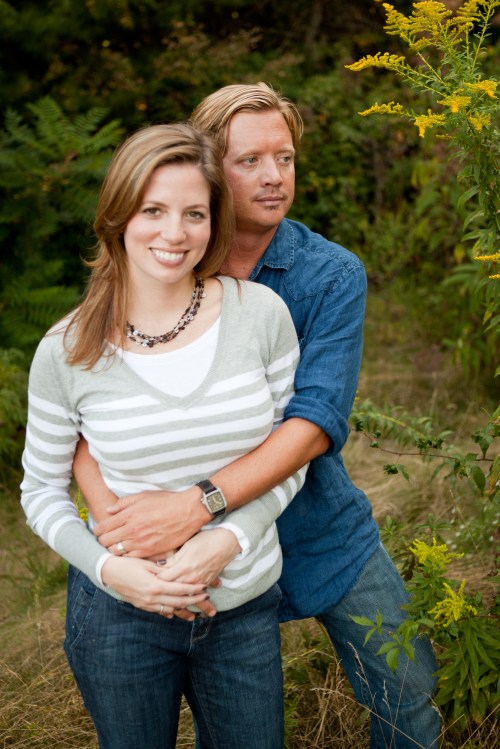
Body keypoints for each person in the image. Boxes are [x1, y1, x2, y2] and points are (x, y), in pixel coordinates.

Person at [74, 85, 442, 748]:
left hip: (314, 524)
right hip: (187, 547)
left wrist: (199, 502)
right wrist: (123, 527)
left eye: (286, 158)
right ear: (209, 168)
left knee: (409, 689)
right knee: (229, 721)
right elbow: (82, 402)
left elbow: (315, 422)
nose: (274, 176)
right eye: (250, 160)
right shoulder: (165, 255)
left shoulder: (330, 275)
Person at [20, 122, 309, 749]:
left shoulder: (260, 315)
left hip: (242, 608)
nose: (174, 233)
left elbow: (290, 456)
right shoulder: (66, 351)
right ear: (119, 214)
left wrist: (228, 539)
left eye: (194, 214)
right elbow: (39, 491)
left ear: (213, 222)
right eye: (153, 210)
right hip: (120, 617)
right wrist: (110, 571)